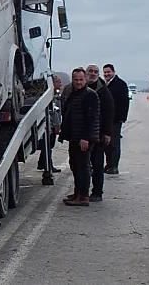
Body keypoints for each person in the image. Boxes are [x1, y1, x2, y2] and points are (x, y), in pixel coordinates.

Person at [59, 68, 100, 206]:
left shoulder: (90, 95)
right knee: (75, 165)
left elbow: (91, 118)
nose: (78, 82)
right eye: (76, 80)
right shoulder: (74, 94)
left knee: (83, 167)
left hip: (84, 138)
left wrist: (85, 138)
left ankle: (83, 196)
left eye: (81, 80)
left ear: (85, 79)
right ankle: (78, 193)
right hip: (75, 137)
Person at [86, 64, 115, 202]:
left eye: (95, 72)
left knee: (97, 164)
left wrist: (107, 133)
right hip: (82, 133)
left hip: (98, 134)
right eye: (90, 71)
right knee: (81, 165)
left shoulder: (103, 91)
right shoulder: (79, 88)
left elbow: (109, 113)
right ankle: (81, 192)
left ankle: (97, 192)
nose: (93, 74)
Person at [103, 64, 130, 174]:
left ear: (113, 72)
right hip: (106, 118)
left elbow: (125, 102)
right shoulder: (105, 84)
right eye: (105, 72)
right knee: (106, 143)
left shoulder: (120, 84)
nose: (106, 74)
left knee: (114, 143)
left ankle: (114, 166)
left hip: (115, 119)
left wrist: (122, 117)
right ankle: (109, 164)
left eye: (108, 72)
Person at [38, 74, 64, 173]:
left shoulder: (55, 94)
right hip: (50, 125)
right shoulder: (50, 96)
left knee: (48, 146)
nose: (61, 84)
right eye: (59, 82)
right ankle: (48, 165)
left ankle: (42, 163)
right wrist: (56, 125)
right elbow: (53, 112)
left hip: (51, 125)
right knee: (49, 146)